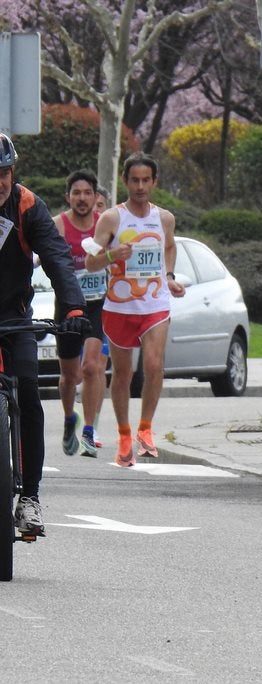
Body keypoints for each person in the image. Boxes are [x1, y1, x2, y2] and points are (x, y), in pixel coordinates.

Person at [0, 133, 89, 535]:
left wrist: (72, 306)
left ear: (12, 171)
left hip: (14, 317)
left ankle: (30, 498)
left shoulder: (27, 206)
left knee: (29, 393)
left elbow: (56, 257)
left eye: (3, 172)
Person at [84, 152, 183, 469]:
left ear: (154, 182)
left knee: (154, 364)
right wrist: (113, 254)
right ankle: (125, 435)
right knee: (123, 375)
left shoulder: (164, 218)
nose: (140, 186)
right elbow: (90, 262)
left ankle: (146, 429)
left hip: (155, 304)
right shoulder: (112, 218)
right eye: (135, 180)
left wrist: (168, 277)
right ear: (125, 181)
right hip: (119, 307)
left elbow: (169, 245)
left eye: (146, 180)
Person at [53, 169, 109, 458]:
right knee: (70, 375)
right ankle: (68, 419)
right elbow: (42, 256)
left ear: (96, 197)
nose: (82, 198)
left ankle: (88, 430)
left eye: (88, 193)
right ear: (68, 197)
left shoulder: (105, 224)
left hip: (99, 304)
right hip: (68, 305)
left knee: (91, 367)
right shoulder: (58, 226)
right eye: (77, 193)